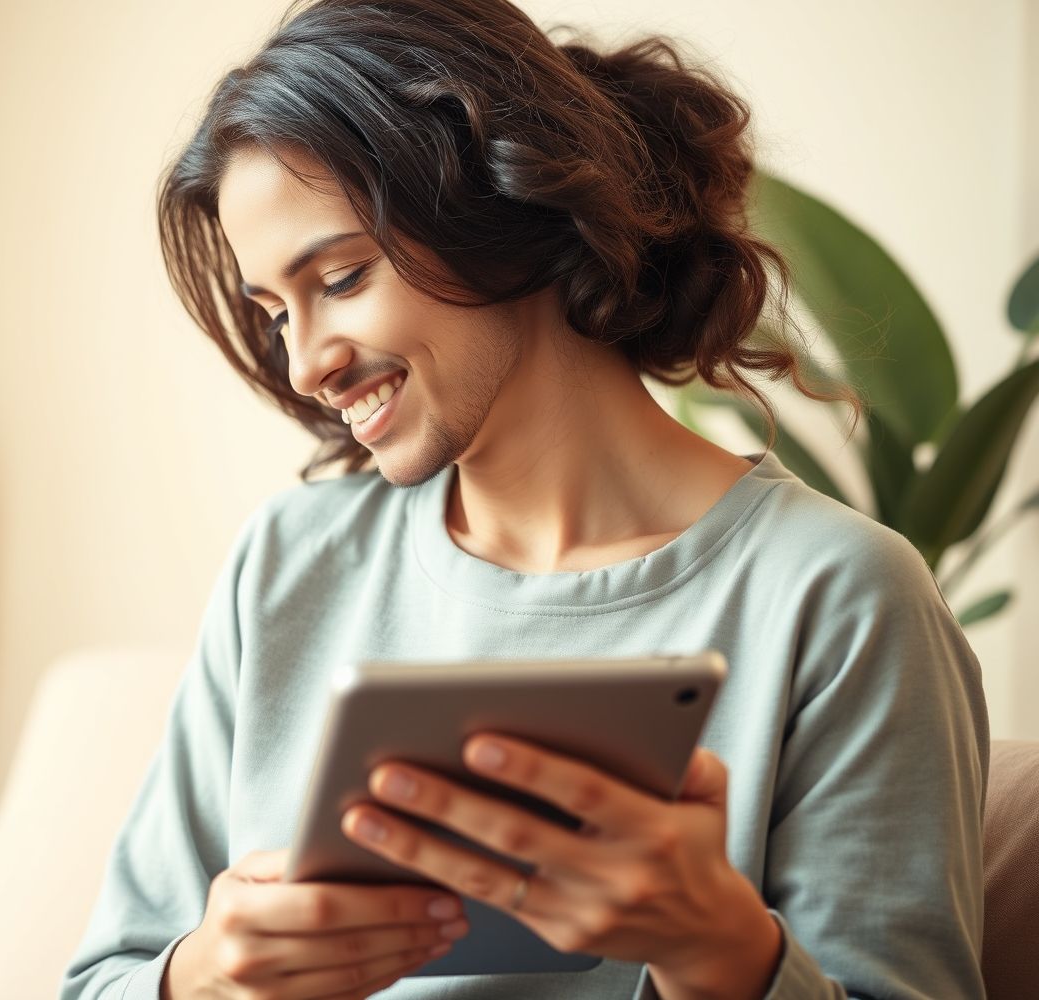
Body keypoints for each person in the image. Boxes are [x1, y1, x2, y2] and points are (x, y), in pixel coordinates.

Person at [60, 0, 989, 997]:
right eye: (276, 312)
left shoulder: (837, 595)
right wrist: (206, 976)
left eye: (342, 276)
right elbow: (101, 979)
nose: (304, 364)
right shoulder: (287, 564)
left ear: (503, 208)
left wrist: (718, 953)